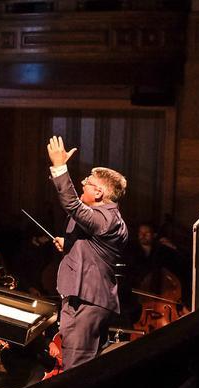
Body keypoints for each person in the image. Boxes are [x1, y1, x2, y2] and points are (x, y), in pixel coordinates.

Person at [45, 135, 128, 370]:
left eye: (88, 181)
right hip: (82, 298)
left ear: (100, 193)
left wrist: (60, 167)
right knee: (78, 364)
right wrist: (69, 244)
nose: (83, 182)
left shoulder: (107, 218)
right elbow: (90, 243)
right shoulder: (99, 216)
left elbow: (71, 204)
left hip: (89, 301)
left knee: (76, 368)